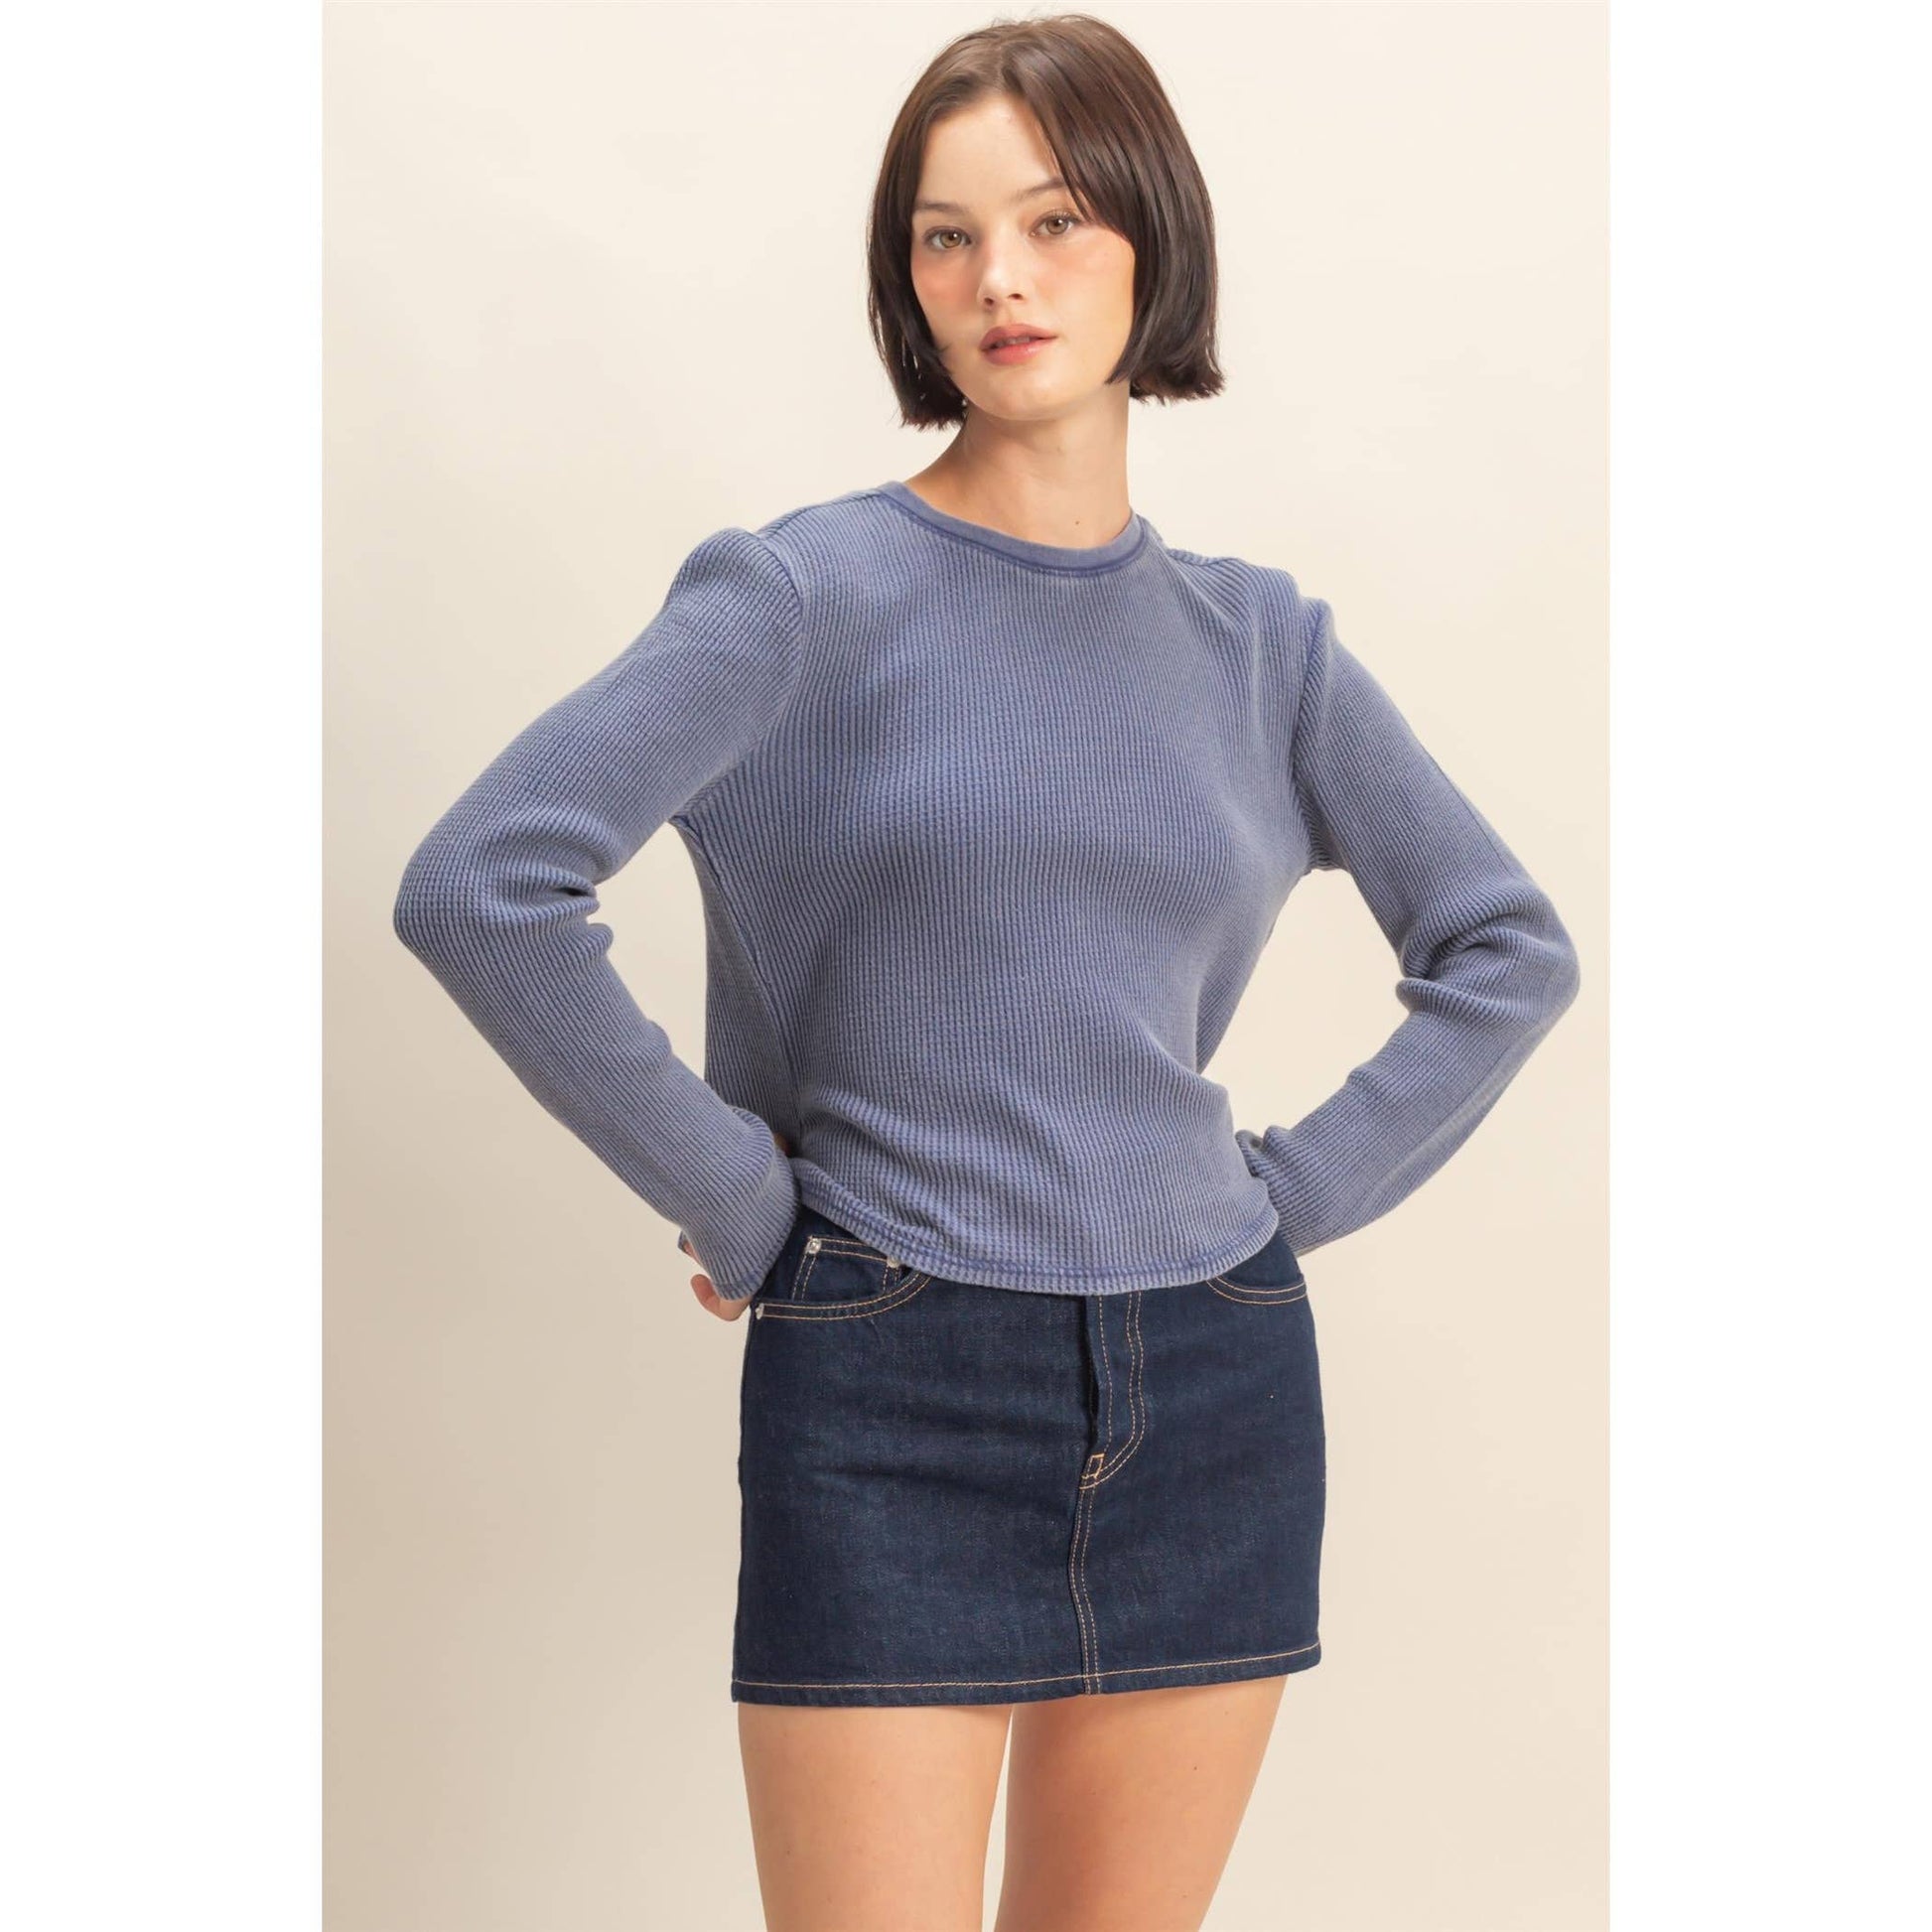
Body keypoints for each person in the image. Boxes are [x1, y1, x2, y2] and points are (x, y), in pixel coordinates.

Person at [392, 14, 1582, 1930]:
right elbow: (482, 885)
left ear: (1149, 238)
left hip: (1213, 1373)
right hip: (887, 1374)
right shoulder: (795, 596)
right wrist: (743, 1198)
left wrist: (1285, 1196)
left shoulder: (1261, 647)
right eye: (944, 237)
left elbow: (1504, 944)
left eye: (1051, 221)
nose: (998, 280)